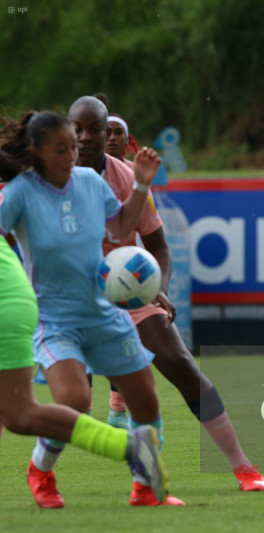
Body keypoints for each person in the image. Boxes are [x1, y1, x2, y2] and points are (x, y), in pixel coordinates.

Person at [69, 95, 264, 492]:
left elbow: (158, 247)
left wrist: (157, 286)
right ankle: (45, 472)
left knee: (181, 365)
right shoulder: (50, 179)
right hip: (72, 296)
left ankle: (243, 466)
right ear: (67, 131)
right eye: (80, 129)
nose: (90, 137)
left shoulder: (128, 177)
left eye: (99, 129)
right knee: (70, 402)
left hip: (128, 290)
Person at [0, 109, 181, 507]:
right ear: (37, 152)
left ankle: (145, 486)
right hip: (53, 319)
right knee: (74, 400)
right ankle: (41, 471)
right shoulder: (19, 193)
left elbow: (119, 229)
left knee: (146, 402)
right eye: (61, 149)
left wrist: (141, 184)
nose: (72, 155)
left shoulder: (89, 182)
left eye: (74, 147)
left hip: (103, 313)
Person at [0, 237, 168, 507]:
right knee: (45, 406)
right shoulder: (21, 197)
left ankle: (132, 453)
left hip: (26, 302)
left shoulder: (27, 194)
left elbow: (124, 225)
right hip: (23, 299)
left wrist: (140, 191)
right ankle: (131, 451)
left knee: (21, 413)